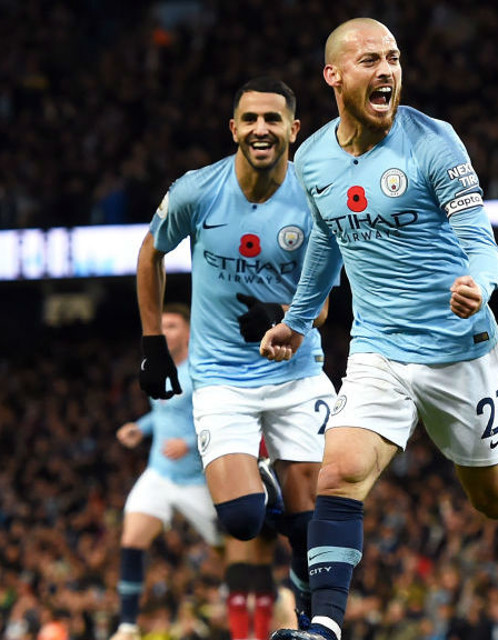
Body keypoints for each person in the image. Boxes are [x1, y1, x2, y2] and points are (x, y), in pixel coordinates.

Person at [259, 18, 498, 640]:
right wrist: (297, 321)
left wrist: (478, 287)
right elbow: (327, 243)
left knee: (492, 500)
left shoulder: (434, 143)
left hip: (457, 349)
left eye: (394, 58)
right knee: (338, 473)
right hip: (378, 348)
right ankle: (325, 627)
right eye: (371, 61)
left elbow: (482, 245)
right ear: (334, 76)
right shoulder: (313, 159)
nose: (387, 71)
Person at [135, 76, 336, 628]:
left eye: (272, 119)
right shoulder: (198, 191)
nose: (260, 129)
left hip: (296, 374)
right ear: (233, 129)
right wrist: (154, 342)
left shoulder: (316, 200)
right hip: (222, 378)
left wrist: (281, 316)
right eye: (249, 119)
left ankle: (309, 620)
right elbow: (150, 253)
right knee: (245, 521)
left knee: (311, 523)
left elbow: (320, 308)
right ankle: (265, 482)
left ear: (294, 130)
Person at [111, 305, 280, 640]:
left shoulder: (203, 370)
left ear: (187, 331)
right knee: (131, 538)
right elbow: (161, 413)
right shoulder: (155, 366)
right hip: (159, 473)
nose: (163, 332)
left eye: (171, 325)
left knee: (237, 553)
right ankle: (127, 626)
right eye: (160, 326)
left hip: (200, 481)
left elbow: (219, 415)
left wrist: (188, 443)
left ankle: (271, 600)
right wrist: (139, 429)